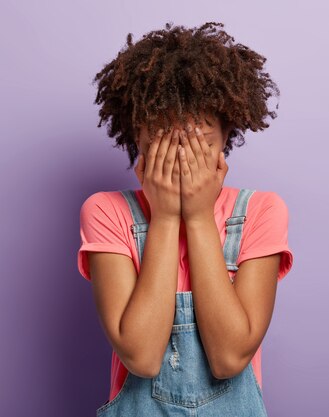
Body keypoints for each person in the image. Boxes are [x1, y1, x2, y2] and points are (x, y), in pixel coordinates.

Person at [77, 21, 294, 416]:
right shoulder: (107, 212)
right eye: (164, 144)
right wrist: (164, 217)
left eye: (197, 144)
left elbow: (230, 357)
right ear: (137, 140)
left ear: (225, 139)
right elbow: (141, 356)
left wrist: (196, 218)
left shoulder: (261, 212)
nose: (180, 159)